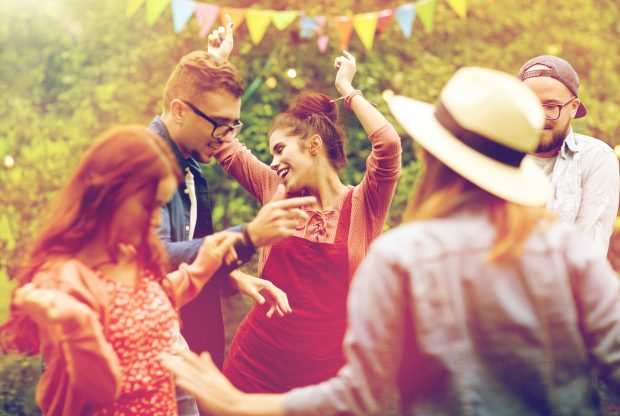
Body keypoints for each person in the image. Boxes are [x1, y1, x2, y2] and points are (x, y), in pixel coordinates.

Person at [162, 67, 620, 415]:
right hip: (260, 354)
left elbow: (366, 393)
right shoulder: (572, 255)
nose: (274, 159)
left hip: (322, 360)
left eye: (281, 147)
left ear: (432, 154)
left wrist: (242, 406)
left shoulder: (403, 257)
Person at [0, 126, 243, 415]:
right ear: (110, 194)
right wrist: (79, 327)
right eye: (149, 206)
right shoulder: (63, 284)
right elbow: (100, 390)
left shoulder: (129, 252)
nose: (156, 220)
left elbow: (149, 304)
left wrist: (202, 268)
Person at [208, 48, 401, 393]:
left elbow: (387, 144)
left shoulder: (365, 203)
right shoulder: (275, 188)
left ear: (313, 145)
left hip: (329, 373)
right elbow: (224, 144)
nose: (274, 161)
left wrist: (348, 89)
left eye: (280, 149)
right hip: (256, 363)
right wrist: (216, 68)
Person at [518, 55, 619, 256]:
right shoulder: (491, 152)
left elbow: (587, 251)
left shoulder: (595, 158)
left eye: (550, 106)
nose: (539, 116)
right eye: (529, 103)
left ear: (573, 108)